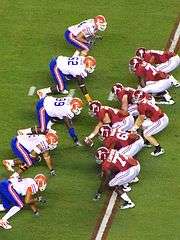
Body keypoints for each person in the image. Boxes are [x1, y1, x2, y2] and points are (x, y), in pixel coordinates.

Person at [18, 96, 83, 146]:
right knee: (43, 130)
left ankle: (49, 123)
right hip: (43, 107)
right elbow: (69, 126)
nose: (78, 111)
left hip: (48, 101)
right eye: (77, 109)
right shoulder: (67, 111)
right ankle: (24, 132)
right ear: (72, 106)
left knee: (60, 116)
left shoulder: (70, 99)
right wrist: (75, 139)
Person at [130, 90, 169, 156]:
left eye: (136, 98)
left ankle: (159, 149)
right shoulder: (144, 101)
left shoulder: (141, 105)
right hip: (156, 118)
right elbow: (141, 118)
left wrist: (134, 128)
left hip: (161, 120)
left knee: (146, 134)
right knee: (144, 125)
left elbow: (141, 118)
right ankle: (147, 142)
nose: (134, 99)